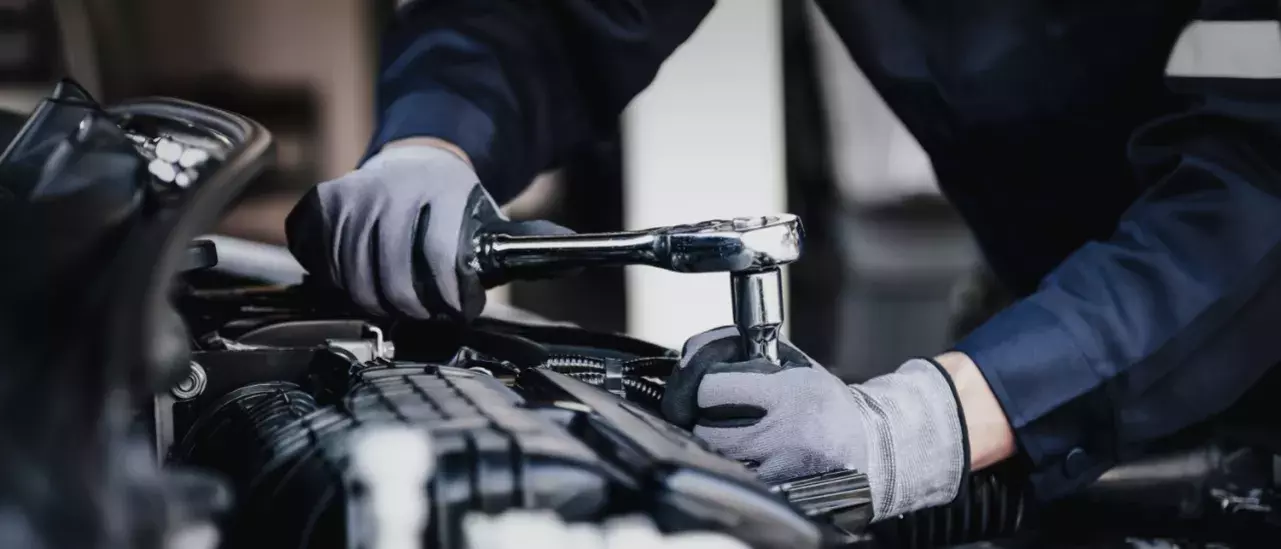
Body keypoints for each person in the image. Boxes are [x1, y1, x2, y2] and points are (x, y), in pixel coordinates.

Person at [285, 1, 1281, 523]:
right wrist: (436, 138)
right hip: (1050, 329)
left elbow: (1263, 184)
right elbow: (552, 12)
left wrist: (932, 422)